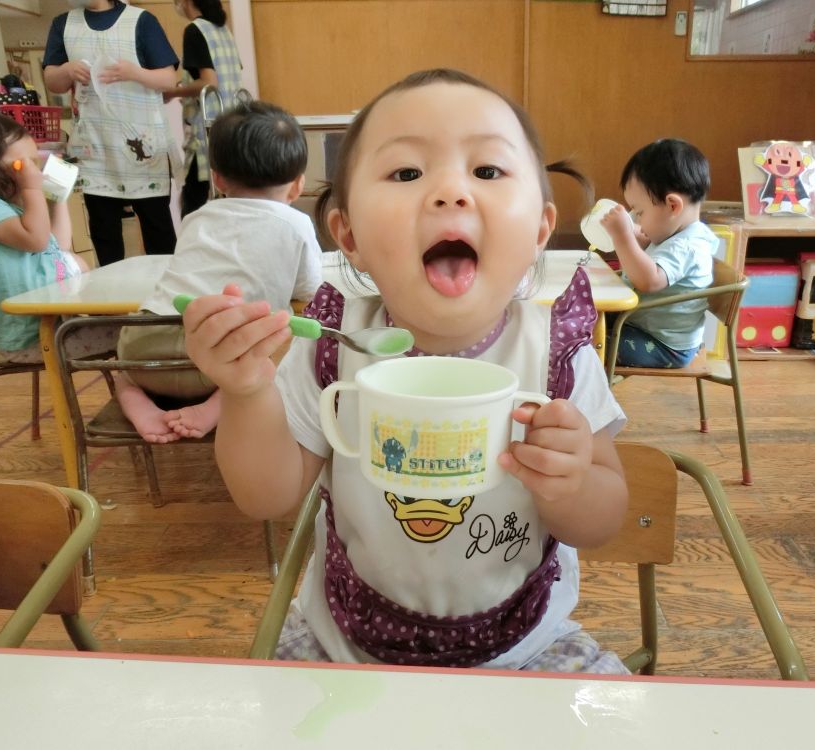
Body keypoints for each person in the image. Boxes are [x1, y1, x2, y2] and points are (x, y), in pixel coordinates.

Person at [181, 69, 630, 673]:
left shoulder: (556, 355)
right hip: (344, 642)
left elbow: (604, 519)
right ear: (349, 235)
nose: (451, 193)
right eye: (407, 173)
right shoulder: (331, 347)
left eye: (488, 171)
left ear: (541, 231)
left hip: (525, 643)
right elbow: (267, 495)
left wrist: (574, 484)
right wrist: (243, 391)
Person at [113, 98, 323, 444]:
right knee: (279, 355)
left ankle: (138, 403)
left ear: (217, 178)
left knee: (121, 371)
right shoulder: (296, 223)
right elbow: (309, 289)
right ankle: (215, 407)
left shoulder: (197, 218)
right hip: (221, 358)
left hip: (144, 347)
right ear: (299, 184)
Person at [0, 111, 116, 363]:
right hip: (34, 339)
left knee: (133, 326)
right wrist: (31, 188)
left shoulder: (12, 208)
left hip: (57, 325)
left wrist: (58, 198)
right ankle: (137, 394)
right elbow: (37, 241)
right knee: (133, 335)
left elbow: (57, 246)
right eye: (24, 166)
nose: (35, 172)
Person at [42, 0, 180, 267]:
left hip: (142, 145)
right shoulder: (63, 24)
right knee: (104, 230)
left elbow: (169, 79)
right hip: (95, 145)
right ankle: (108, 297)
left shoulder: (141, 20)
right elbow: (52, 81)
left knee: (157, 226)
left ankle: (165, 292)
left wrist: (134, 73)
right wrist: (67, 70)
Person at [600, 139, 717, 368]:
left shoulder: (687, 246)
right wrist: (639, 242)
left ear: (673, 206)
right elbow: (657, 262)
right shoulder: (677, 235)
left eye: (640, 212)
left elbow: (649, 280)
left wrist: (622, 236)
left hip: (663, 345)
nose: (635, 219)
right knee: (582, 321)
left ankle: (586, 398)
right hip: (640, 326)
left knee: (583, 345)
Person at [162, 0, 243, 218]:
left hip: (207, 132)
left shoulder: (195, 31)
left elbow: (209, 83)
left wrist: (172, 92)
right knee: (230, 199)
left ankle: (191, 250)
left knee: (192, 209)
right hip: (234, 128)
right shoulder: (223, 31)